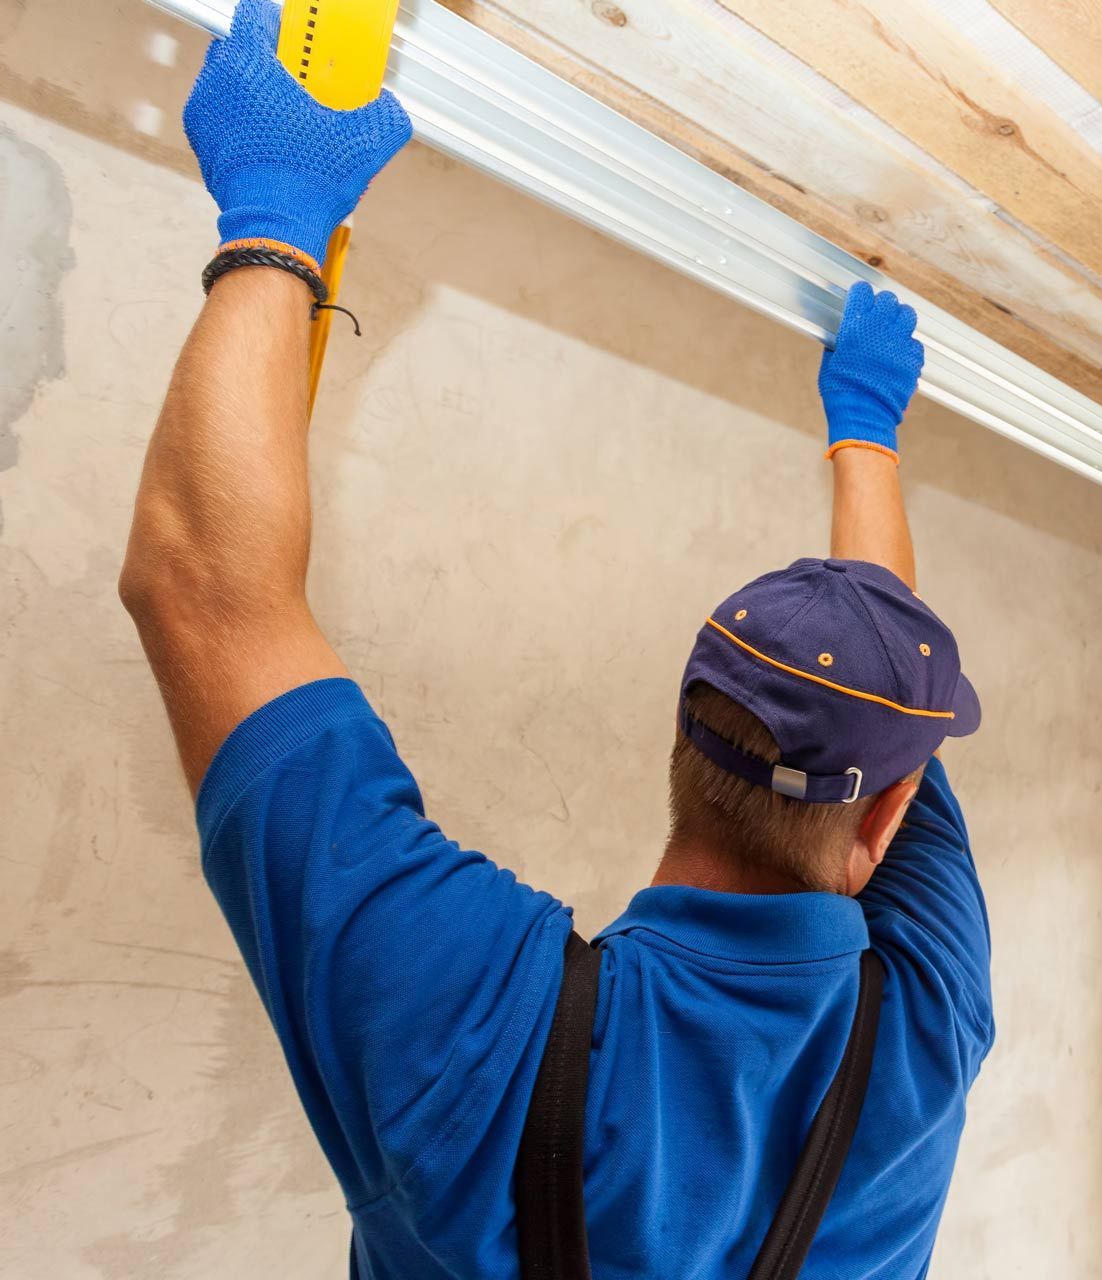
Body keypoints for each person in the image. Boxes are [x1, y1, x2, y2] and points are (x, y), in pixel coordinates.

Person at [119, 4, 991, 1275]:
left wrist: (277, 207)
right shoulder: (924, 1020)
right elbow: (196, 586)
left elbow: (209, 591)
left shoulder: (490, 1029)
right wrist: (865, 428)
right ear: (887, 814)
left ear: (682, 734)